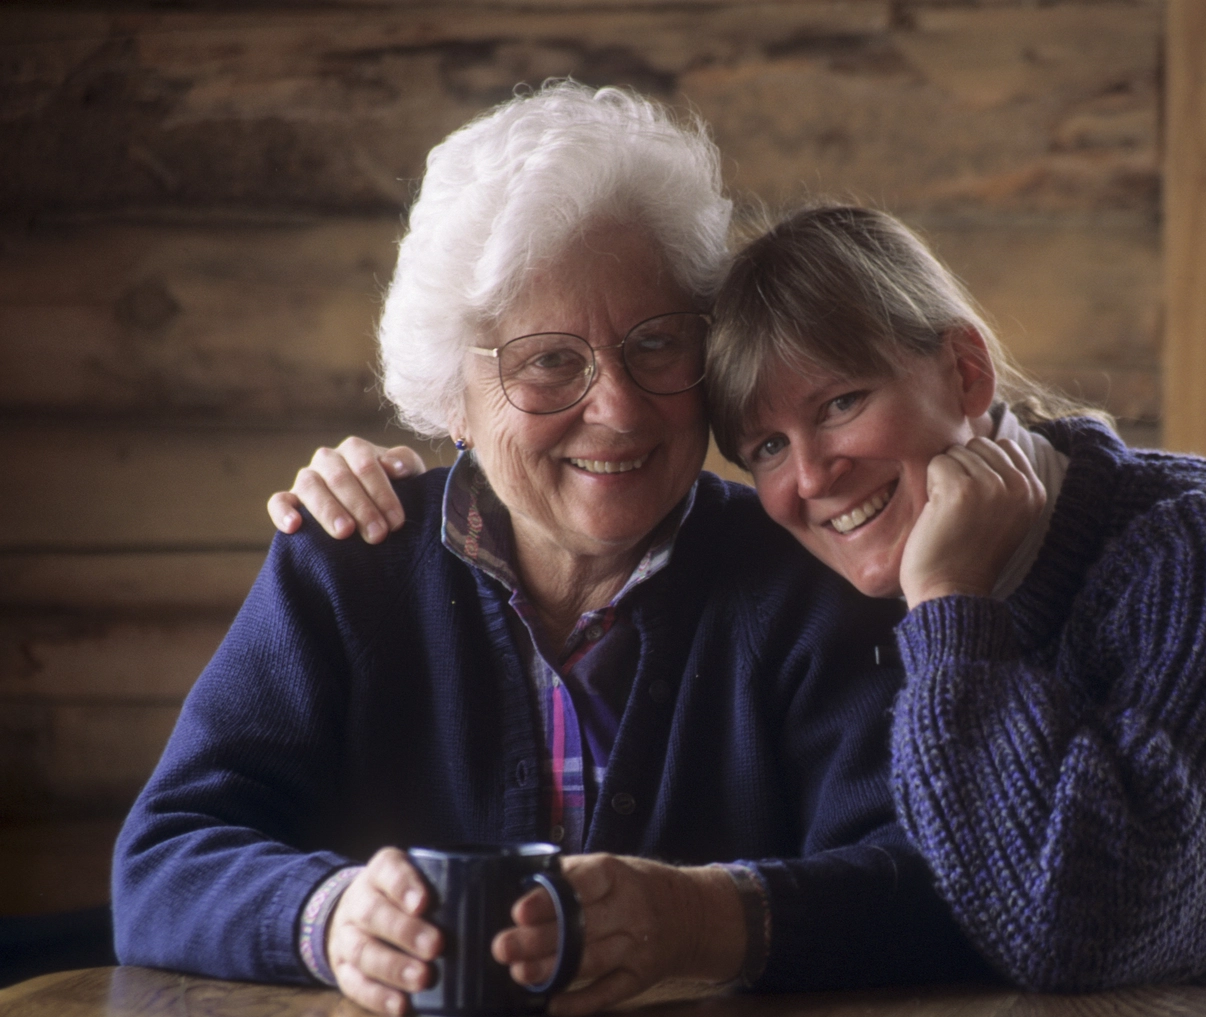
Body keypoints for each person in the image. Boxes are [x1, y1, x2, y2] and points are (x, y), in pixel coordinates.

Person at [287, 205, 1206, 994]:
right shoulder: (862, 579)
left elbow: (1072, 926)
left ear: (967, 372)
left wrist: (947, 607)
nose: (812, 477)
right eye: (767, 446)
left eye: (841, 403)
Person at [114, 87, 985, 1017]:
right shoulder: (349, 557)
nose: (617, 407)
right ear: (455, 397)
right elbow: (167, 854)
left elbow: (940, 878)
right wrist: (328, 917)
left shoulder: (803, 571)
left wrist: (701, 917)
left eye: (656, 344)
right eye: (547, 361)